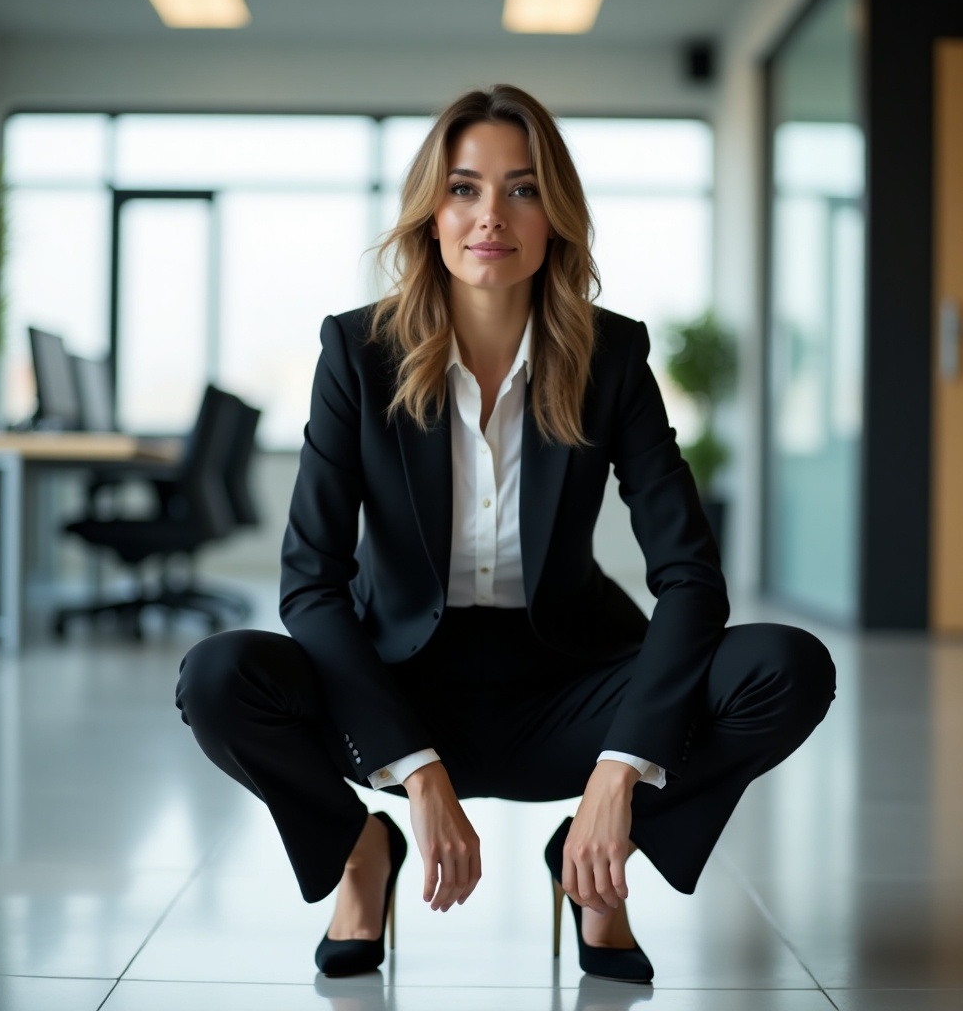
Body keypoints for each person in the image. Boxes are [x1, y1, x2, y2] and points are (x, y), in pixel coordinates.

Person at [175, 84, 835, 984]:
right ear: (430, 214)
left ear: (554, 213)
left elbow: (689, 575)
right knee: (216, 677)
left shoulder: (612, 358)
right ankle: (360, 855)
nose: (492, 216)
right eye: (464, 188)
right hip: (397, 685)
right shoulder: (356, 354)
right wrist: (413, 771)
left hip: (565, 684)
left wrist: (621, 771)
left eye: (522, 189)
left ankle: (598, 862)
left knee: (789, 667)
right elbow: (311, 586)